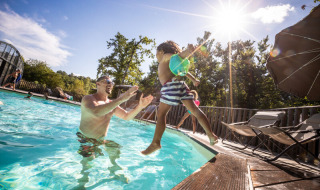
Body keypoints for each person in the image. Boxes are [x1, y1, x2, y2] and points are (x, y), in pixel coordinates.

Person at [141, 41, 218, 155]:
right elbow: (185, 72)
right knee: (195, 110)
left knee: (161, 114)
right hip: (181, 85)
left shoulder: (165, 57)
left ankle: (155, 143)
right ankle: (210, 134)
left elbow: (177, 56)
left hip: (169, 85)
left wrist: (187, 52)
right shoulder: (174, 63)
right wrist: (194, 80)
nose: (156, 56)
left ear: (161, 51)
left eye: (156, 53)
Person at [77, 75, 153, 185]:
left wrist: (140, 106)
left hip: (100, 140)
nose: (110, 84)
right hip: (86, 139)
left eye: (112, 83)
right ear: (98, 84)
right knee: (88, 163)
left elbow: (127, 116)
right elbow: (96, 112)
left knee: (115, 149)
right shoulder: (88, 99)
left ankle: (114, 170)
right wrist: (122, 98)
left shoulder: (112, 104)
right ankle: (81, 184)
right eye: (107, 81)